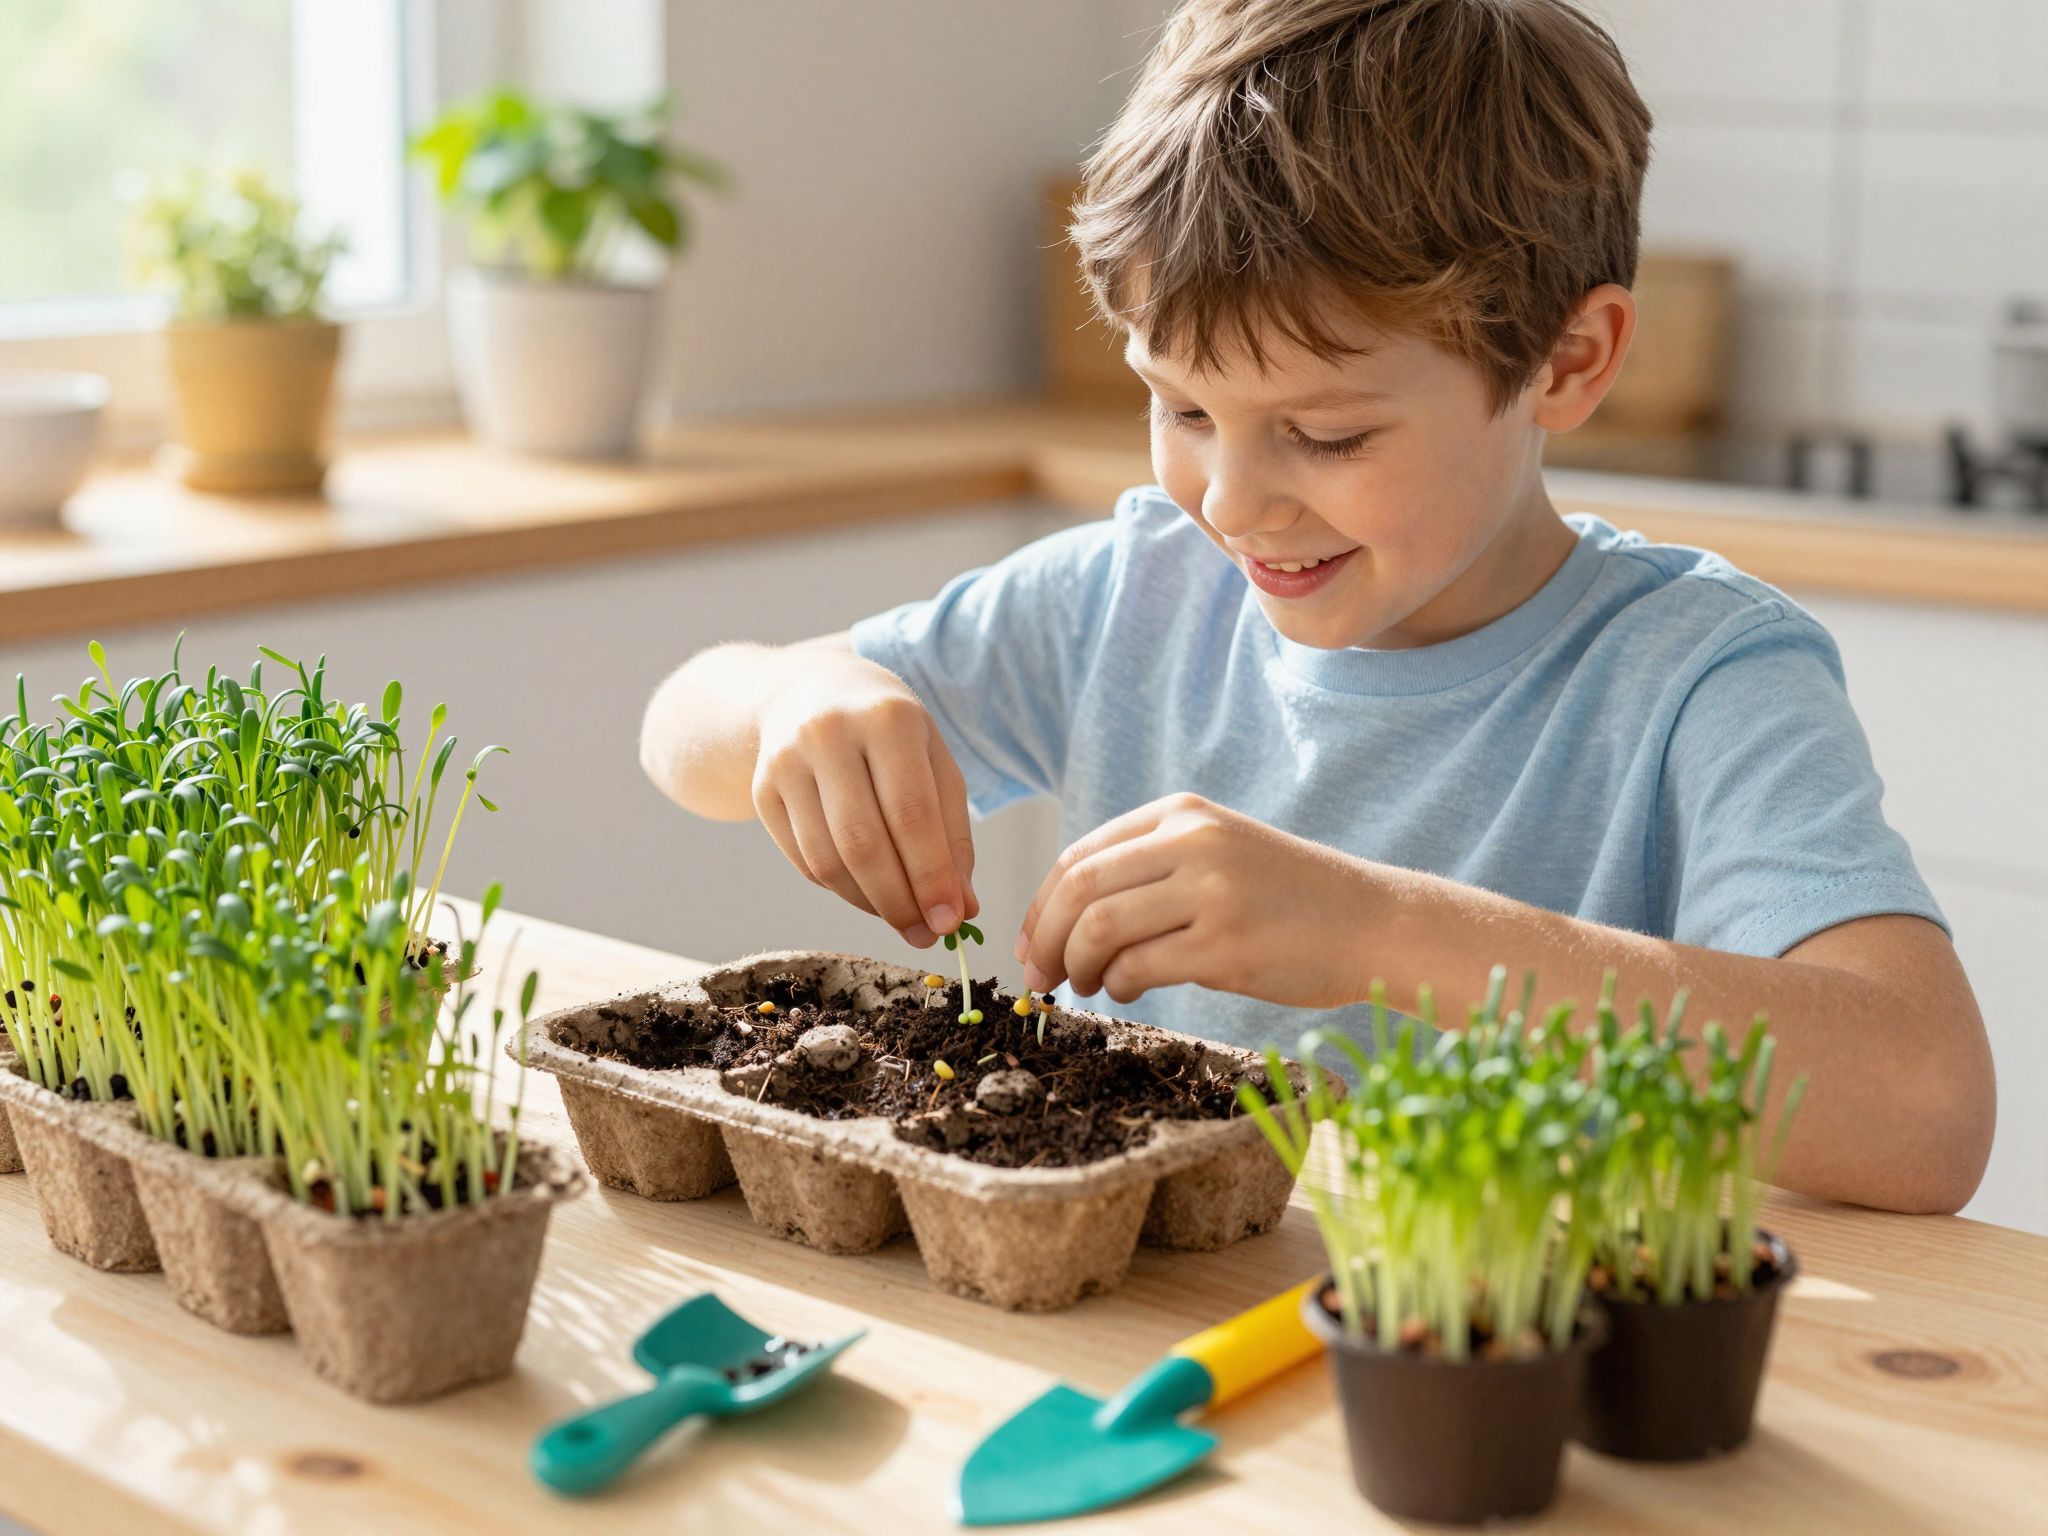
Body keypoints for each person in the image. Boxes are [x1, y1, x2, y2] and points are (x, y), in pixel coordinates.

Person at [640, 0, 1993, 1213]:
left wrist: (1377, 933)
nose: (1232, 500)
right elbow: (681, 730)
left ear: (1569, 362)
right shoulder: (1136, 592)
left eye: (1329, 435)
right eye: (1180, 407)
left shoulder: (1697, 675)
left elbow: (1927, 1111)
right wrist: (796, 695)